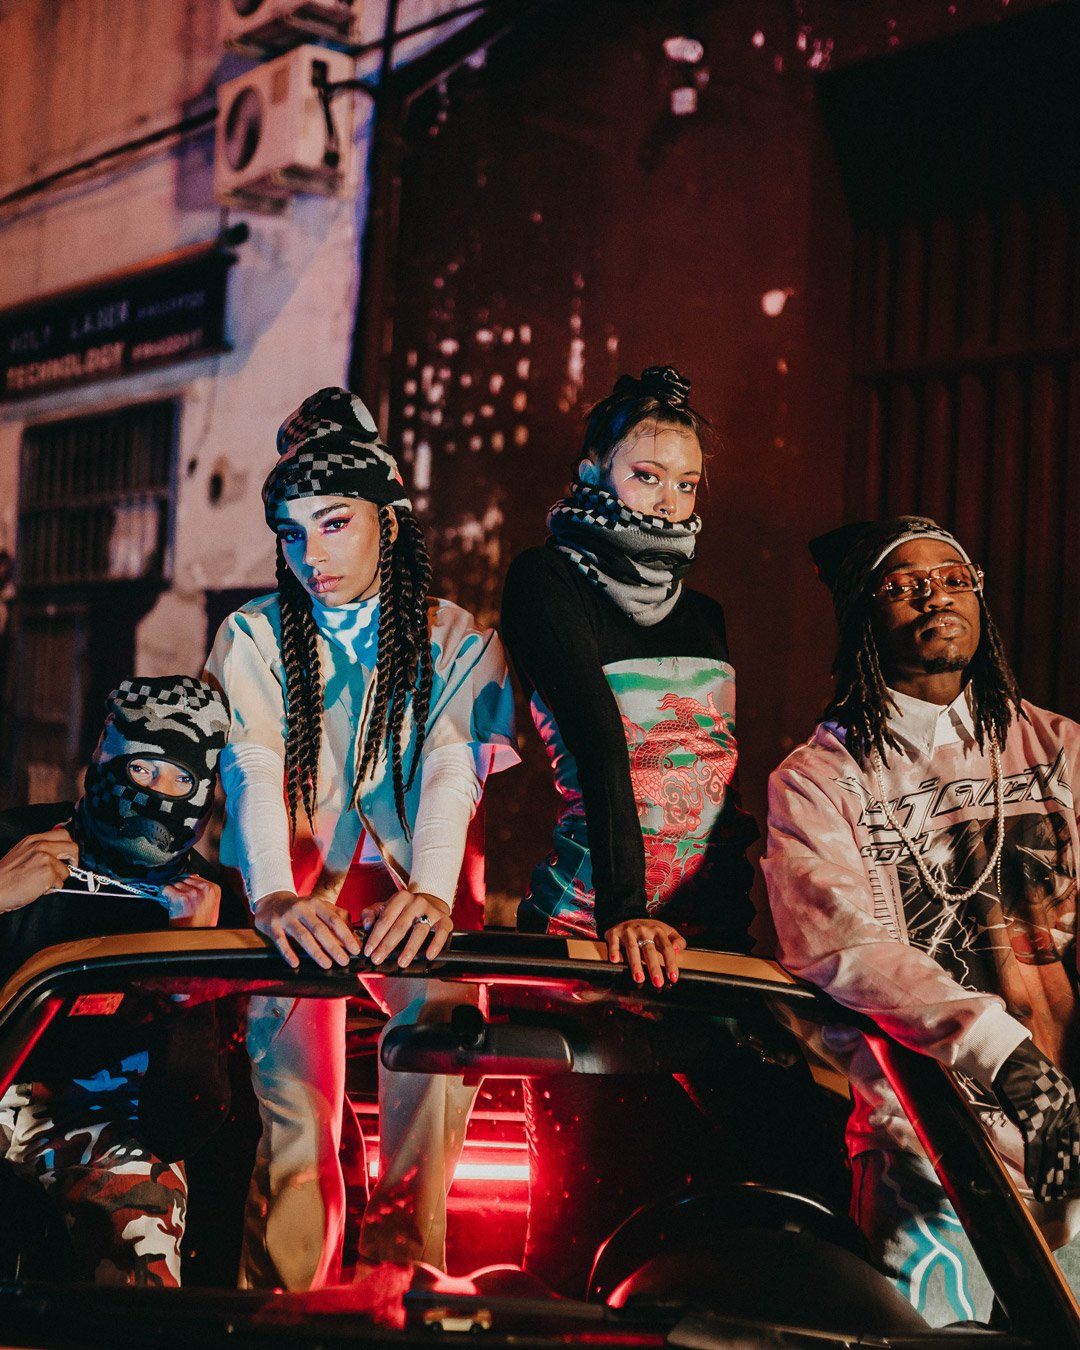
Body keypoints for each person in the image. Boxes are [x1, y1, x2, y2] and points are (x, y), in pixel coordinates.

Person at [205, 386, 517, 1290]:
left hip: (422, 908)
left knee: (423, 1161)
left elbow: (453, 769)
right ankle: (285, 1324)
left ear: (388, 518)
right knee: (294, 1150)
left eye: (334, 523)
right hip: (294, 907)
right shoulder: (254, 635)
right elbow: (251, 768)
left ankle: (397, 1310)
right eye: (291, 533)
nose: (311, 556)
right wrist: (273, 894)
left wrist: (430, 894)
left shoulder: (457, 638)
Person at [762, 515, 1080, 1326]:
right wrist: (1004, 1054)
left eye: (952, 578)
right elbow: (841, 946)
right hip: (930, 1160)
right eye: (902, 586)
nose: (935, 596)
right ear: (862, 615)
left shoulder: (1059, 749)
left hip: (1071, 1151)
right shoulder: (818, 779)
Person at [500, 365, 758, 1292]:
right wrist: (624, 913)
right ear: (593, 471)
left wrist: (730, 931)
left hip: (697, 946)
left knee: (713, 1226)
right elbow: (600, 747)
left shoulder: (707, 613)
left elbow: (718, 782)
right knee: (583, 1225)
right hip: (593, 935)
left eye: (686, 483)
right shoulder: (544, 581)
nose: (668, 500)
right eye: (645, 475)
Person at [0, 674, 231, 1287]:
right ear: (104, 761)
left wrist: (188, 966)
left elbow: (184, 1124)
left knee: (138, 1264)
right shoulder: (14, 845)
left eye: (181, 780)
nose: (158, 794)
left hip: (108, 1117)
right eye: (142, 769)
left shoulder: (209, 907)